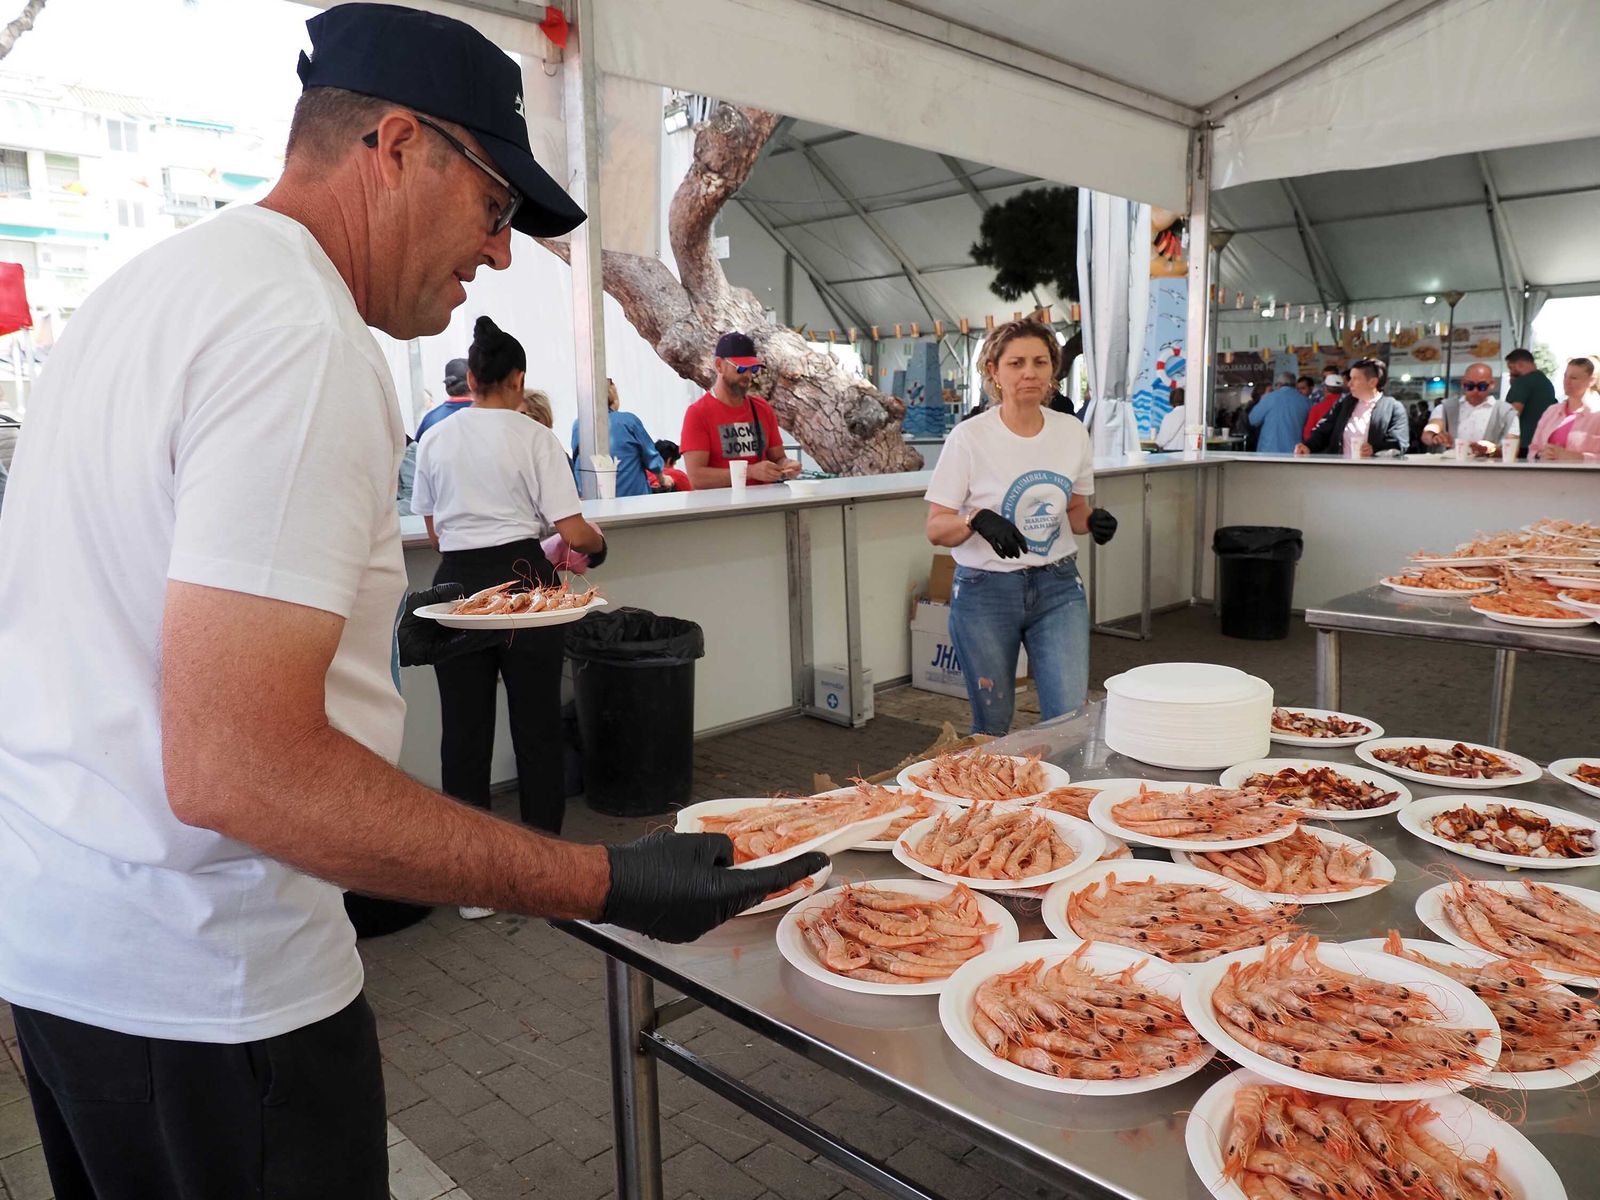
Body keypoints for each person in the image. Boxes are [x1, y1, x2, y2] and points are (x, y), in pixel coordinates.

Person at [0, 9, 821, 1198]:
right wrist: (604, 884)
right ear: (394, 146)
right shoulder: (297, 334)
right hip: (213, 989)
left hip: (63, 959)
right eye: (494, 205)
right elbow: (240, 769)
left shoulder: (145, 293)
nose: (497, 255)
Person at [412, 313, 606, 861]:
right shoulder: (536, 437)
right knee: (536, 725)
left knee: (464, 732)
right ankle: (544, 858)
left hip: (457, 589)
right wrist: (596, 544)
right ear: (518, 379)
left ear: (471, 379)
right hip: (526, 585)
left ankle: (472, 870)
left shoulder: (434, 438)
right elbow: (573, 532)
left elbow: (435, 534)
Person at [923, 317, 1118, 736]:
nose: (1029, 372)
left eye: (1040, 362)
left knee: (1068, 718)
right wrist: (976, 519)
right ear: (994, 370)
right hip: (985, 591)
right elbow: (937, 528)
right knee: (992, 725)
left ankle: (1056, 782)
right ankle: (994, 783)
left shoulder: (1071, 432)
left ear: (1053, 370)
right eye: (1016, 363)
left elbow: (1076, 511)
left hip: (1058, 587)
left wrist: (1093, 521)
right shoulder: (969, 437)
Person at [681, 331, 801, 487]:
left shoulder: (762, 409)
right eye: (741, 369)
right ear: (719, 365)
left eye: (753, 369)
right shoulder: (698, 413)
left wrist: (787, 465)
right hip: (722, 502)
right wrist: (750, 472)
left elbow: (778, 458)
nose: (748, 375)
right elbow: (697, 478)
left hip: (763, 500)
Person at [1295, 358, 1408, 456]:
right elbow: (1323, 430)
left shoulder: (1393, 408)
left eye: (1355, 379)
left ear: (1372, 382)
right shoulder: (1345, 404)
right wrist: (1308, 446)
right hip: (1342, 469)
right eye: (1350, 378)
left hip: (1374, 471)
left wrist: (1374, 449)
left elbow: (1400, 443)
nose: (1349, 384)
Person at [570, 377, 662, 497]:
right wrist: (663, 479)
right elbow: (652, 459)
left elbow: (577, 459)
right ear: (614, 397)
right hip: (633, 499)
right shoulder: (629, 421)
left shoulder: (579, 424)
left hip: (593, 501)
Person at [1421, 362, 1518, 456]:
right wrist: (1434, 436)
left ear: (1492, 384)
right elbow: (1431, 428)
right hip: (1450, 465)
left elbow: (1512, 448)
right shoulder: (1445, 407)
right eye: (1469, 386)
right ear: (1462, 383)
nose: (1475, 391)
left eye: (1482, 386)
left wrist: (1491, 450)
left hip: (1488, 466)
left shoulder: (1507, 412)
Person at [1529, 356, 1600, 462]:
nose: (1567, 381)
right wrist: (1539, 455)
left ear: (1591, 380)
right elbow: (1533, 449)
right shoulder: (1551, 411)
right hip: (1547, 471)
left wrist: (1576, 457)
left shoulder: (1597, 414)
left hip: (1582, 473)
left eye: (1574, 378)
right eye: (1565, 376)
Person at [1505, 347, 1557, 458]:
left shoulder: (1522, 381)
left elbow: (1513, 413)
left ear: (1519, 365)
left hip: (1521, 443)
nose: (1510, 373)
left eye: (1511, 368)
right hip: (1542, 444)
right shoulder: (1547, 383)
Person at [1247, 372, 1312, 455]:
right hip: (1295, 452)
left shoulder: (1269, 398)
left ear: (1278, 384)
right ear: (1295, 384)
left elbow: (1252, 420)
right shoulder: (1306, 402)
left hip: (1268, 451)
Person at [416, 356, 473, 437]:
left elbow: (418, 444)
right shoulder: (484, 415)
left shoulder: (430, 419)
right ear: (472, 382)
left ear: (447, 385)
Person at [1302, 371, 1344, 441]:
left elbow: (1307, 435)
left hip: (1321, 446)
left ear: (1325, 389)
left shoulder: (1317, 408)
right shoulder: (1348, 405)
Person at [1155, 384, 1186, 450]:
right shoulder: (1195, 415)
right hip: (1190, 454)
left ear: (1171, 401)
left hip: (1170, 453)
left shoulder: (1168, 417)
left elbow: (1161, 441)